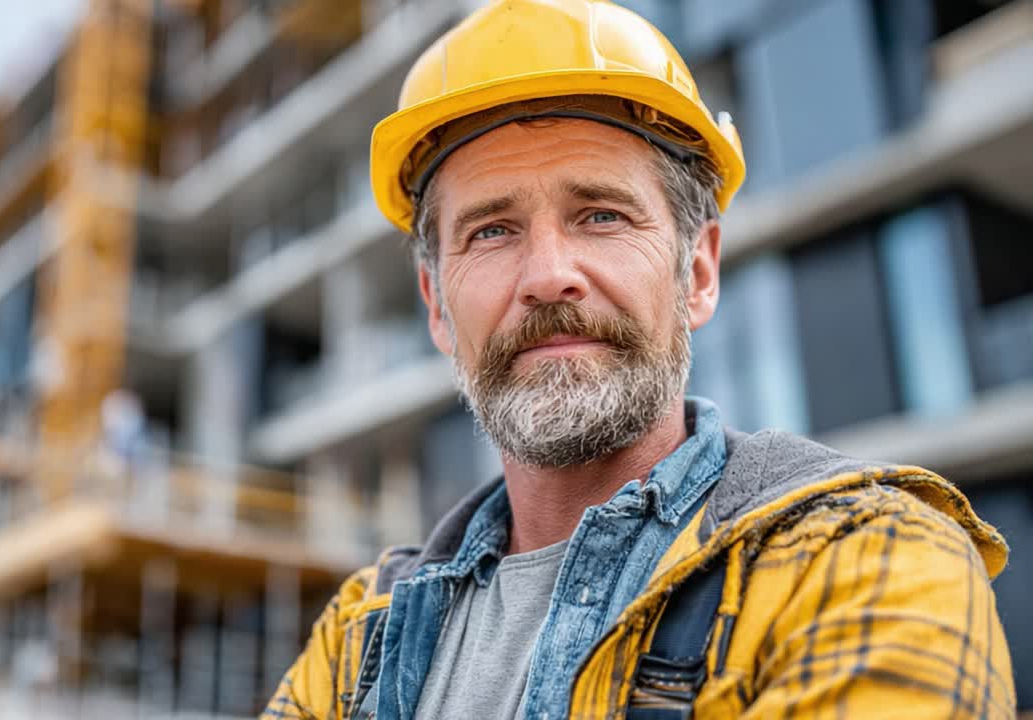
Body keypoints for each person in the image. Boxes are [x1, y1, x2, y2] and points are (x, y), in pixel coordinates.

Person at [263, 1, 1015, 717]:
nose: (548, 275)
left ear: (698, 272)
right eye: (491, 231)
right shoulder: (361, 635)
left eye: (601, 215)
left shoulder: (864, 559)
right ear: (436, 305)